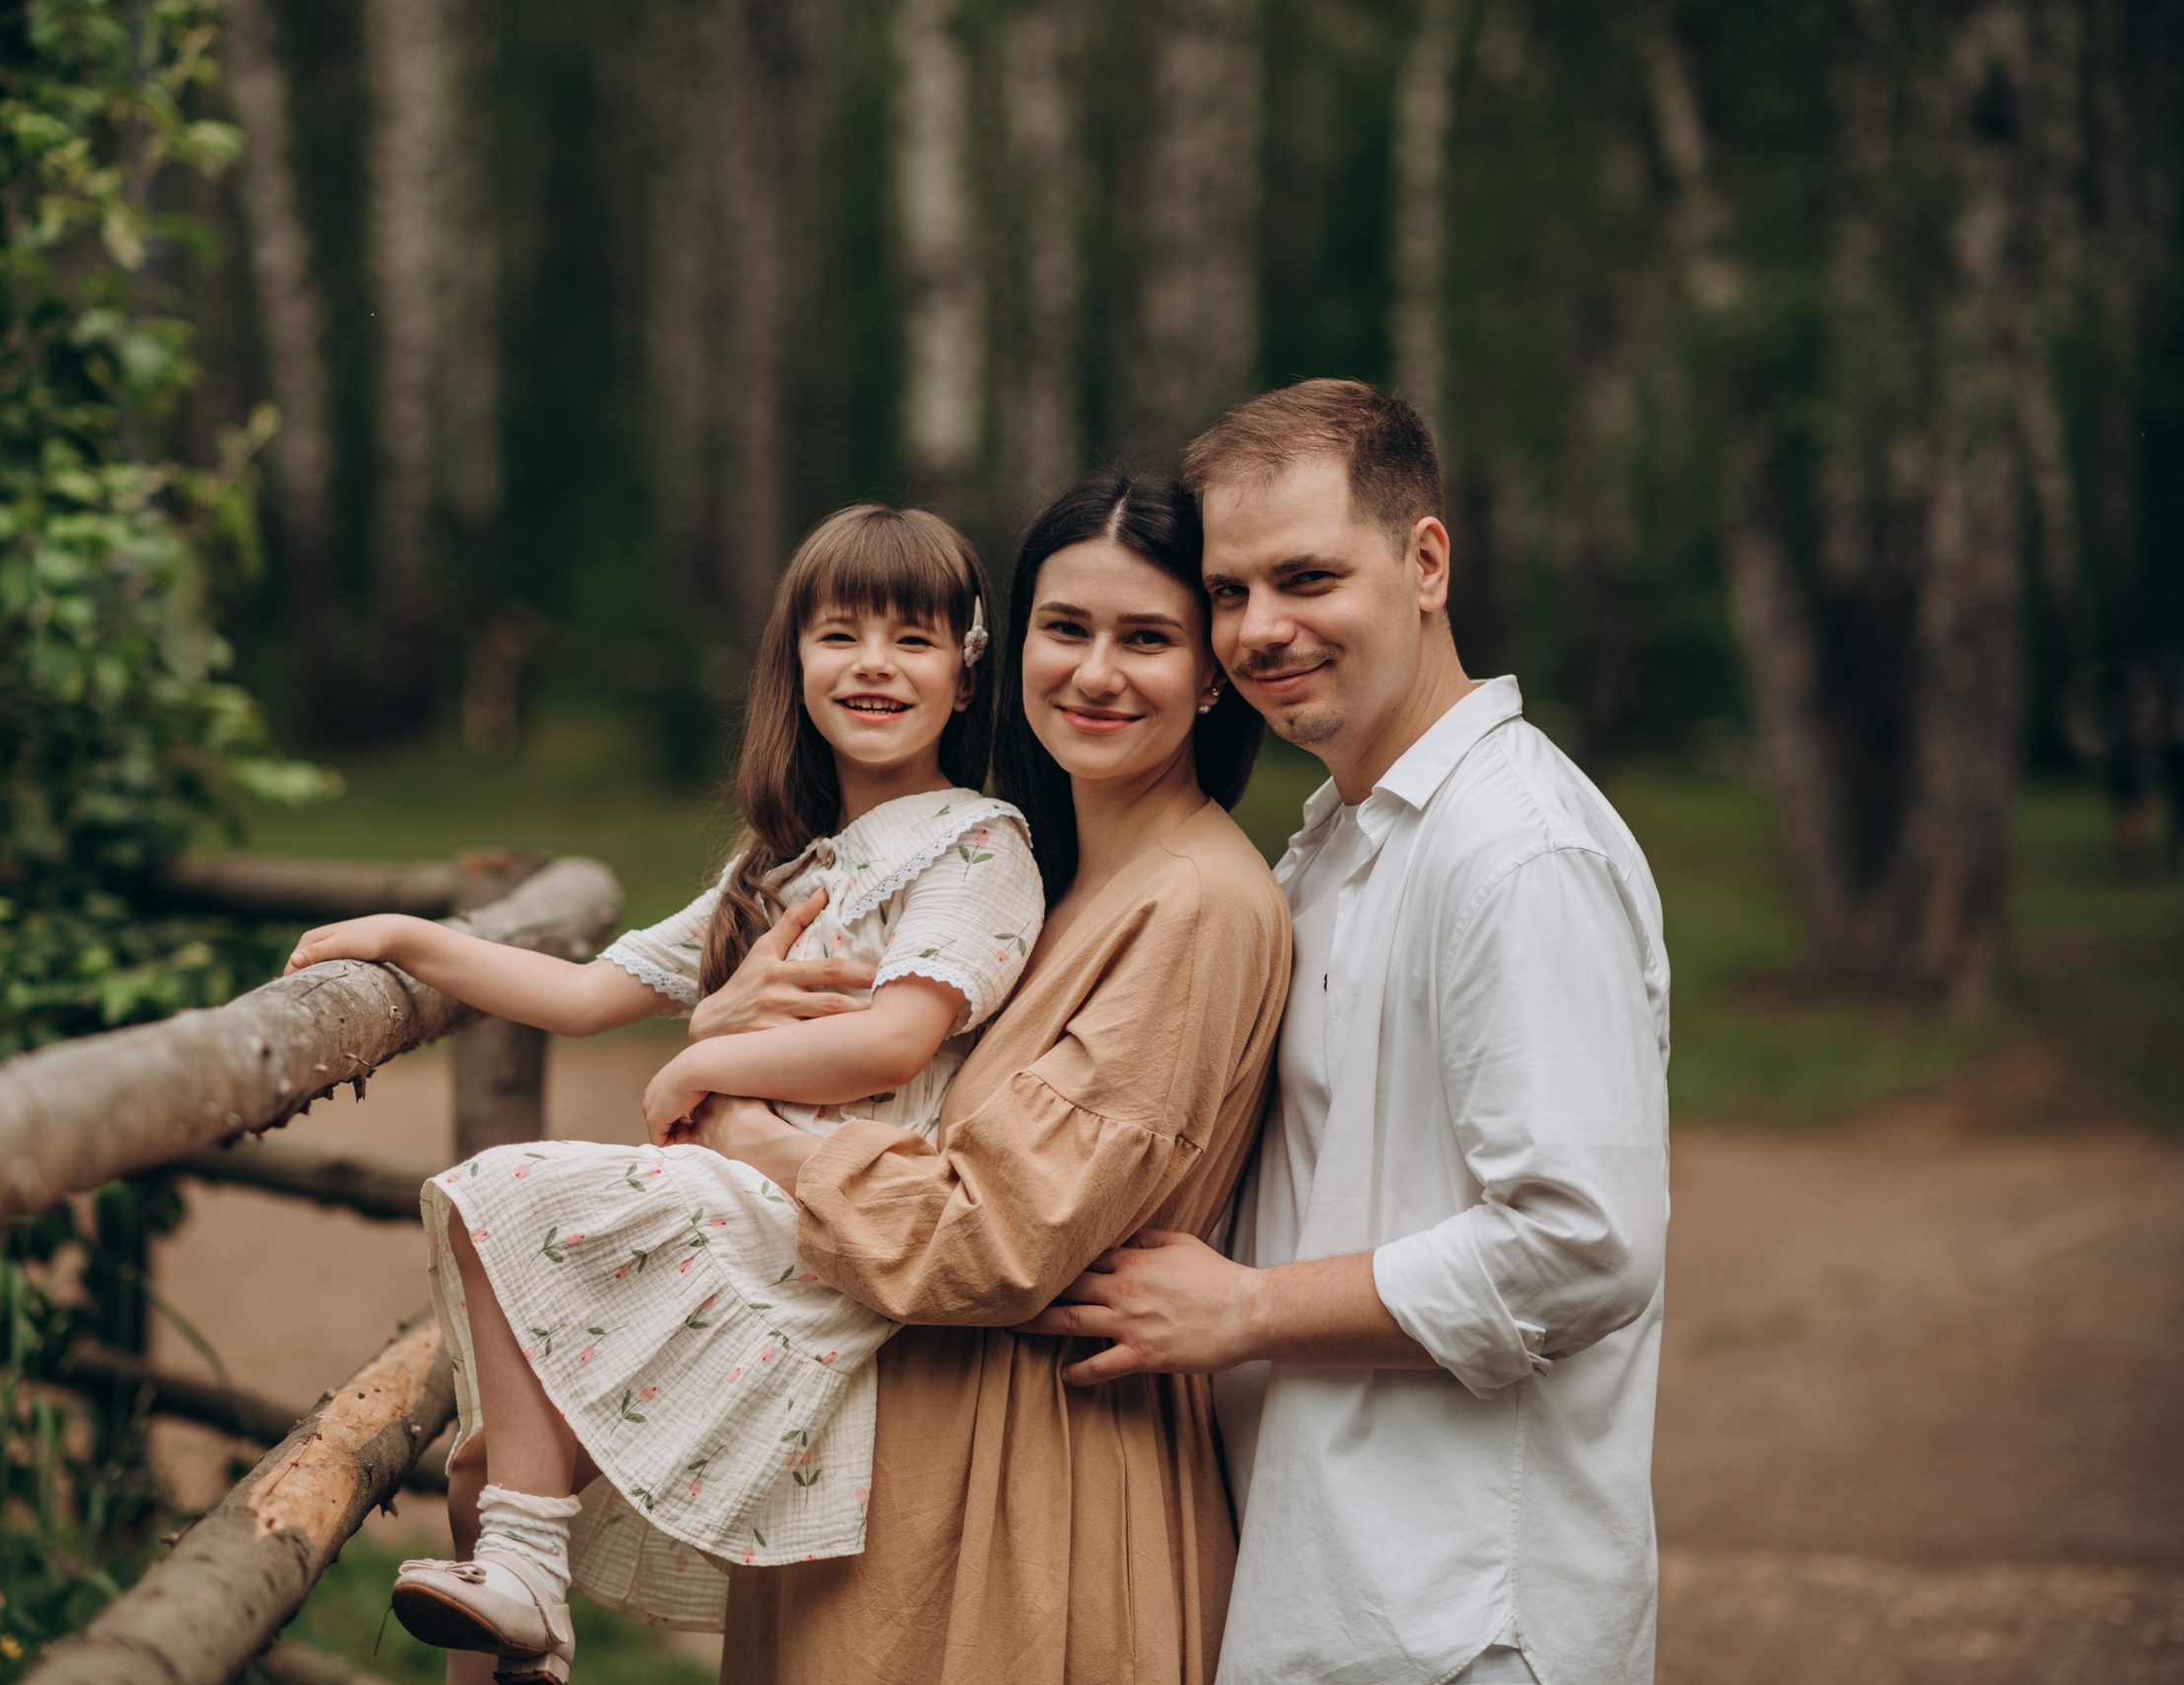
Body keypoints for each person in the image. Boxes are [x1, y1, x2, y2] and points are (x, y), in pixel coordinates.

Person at [282, 505, 1044, 1678]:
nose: (876, 665)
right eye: (840, 634)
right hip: (743, 1205)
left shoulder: (975, 846)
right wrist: (406, 936)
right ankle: (525, 1586)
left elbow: (897, 1040)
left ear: (967, 669)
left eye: (915, 638)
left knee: (510, 1193)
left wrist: (702, 1060)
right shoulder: (783, 861)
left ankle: (530, 1571)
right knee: (483, 1461)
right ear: (795, 660)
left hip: (833, 1217)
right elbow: (588, 990)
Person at [1022, 381, 1671, 1685]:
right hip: (1334, 1582)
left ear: (1426, 561)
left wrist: (1247, 1306)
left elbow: (1582, 1239)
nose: (1261, 629)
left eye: (1307, 576)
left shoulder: (1513, 850)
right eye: (1229, 591)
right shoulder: (1341, 840)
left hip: (1464, 1615)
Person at [679, 470, 1292, 1684]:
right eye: (1066, 629)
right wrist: (729, 1022)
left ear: (1212, 669)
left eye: (1148, 638)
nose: (1096, 672)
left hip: (1036, 1497)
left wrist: (757, 1141)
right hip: (902, 1479)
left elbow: (1001, 1234)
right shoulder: (1031, 879)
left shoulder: (1198, 903)